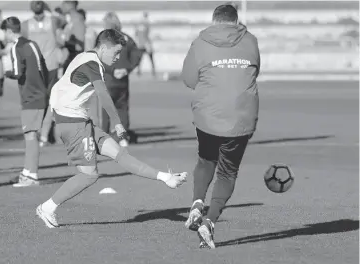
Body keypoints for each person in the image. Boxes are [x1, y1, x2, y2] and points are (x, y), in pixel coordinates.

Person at [36, 29, 187, 228]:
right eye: (116, 53)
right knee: (89, 175)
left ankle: (165, 177)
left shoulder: (87, 58)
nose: (117, 58)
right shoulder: (92, 63)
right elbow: (103, 95)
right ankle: (47, 207)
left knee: (119, 154)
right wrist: (117, 122)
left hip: (79, 120)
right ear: (104, 47)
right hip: (72, 124)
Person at [181, 4, 260, 249]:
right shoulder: (251, 41)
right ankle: (210, 220)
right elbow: (255, 71)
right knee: (228, 172)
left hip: (208, 114)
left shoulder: (200, 42)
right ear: (236, 21)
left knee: (206, 160)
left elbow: (188, 80)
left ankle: (196, 203)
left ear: (214, 21)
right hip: (241, 116)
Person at [1, 17, 49, 187]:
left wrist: (5, 72)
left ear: (9, 31)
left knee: (30, 136)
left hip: (30, 96)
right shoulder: (32, 44)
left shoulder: (16, 47)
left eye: (4, 33)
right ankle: (27, 172)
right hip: (41, 93)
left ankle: (32, 176)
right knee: (31, 134)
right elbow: (44, 68)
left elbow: (17, 72)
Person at [21, 1, 66, 147]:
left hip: (34, 67)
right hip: (51, 65)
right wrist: (50, 10)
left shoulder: (26, 25)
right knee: (51, 100)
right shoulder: (52, 21)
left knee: (37, 100)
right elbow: (63, 24)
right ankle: (47, 134)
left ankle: (38, 132)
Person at [98, 12, 142, 146]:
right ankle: (123, 138)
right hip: (122, 80)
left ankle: (104, 138)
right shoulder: (127, 38)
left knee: (106, 110)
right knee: (122, 108)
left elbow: (100, 57)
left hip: (108, 79)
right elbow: (137, 54)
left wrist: (113, 70)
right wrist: (127, 69)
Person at [61, 0, 85, 72]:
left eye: (63, 3)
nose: (62, 6)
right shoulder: (70, 20)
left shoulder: (77, 19)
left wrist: (63, 43)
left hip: (73, 62)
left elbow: (79, 46)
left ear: (70, 4)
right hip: (68, 61)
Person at [134, 12, 155, 77]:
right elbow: (147, 34)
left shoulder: (138, 25)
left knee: (140, 58)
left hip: (140, 44)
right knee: (151, 58)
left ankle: (138, 71)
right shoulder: (147, 24)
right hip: (146, 44)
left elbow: (136, 34)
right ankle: (153, 71)